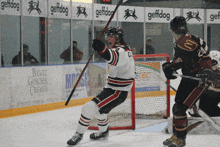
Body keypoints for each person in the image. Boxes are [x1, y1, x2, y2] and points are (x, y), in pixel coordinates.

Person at [67, 27, 135, 146]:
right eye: (108, 36)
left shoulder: (123, 51)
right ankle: (104, 132)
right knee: (100, 111)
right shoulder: (121, 49)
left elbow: (112, 58)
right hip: (112, 89)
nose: (109, 38)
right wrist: (102, 49)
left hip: (117, 92)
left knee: (88, 108)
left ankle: (78, 134)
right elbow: (111, 55)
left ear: (118, 37)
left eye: (112, 36)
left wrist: (102, 49)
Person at [162, 16, 214, 147]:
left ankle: (180, 139)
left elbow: (204, 59)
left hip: (198, 81)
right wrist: (171, 67)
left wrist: (205, 70)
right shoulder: (189, 39)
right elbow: (185, 60)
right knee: (177, 107)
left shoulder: (183, 42)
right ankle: (177, 136)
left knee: (179, 108)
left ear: (173, 30)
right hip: (191, 79)